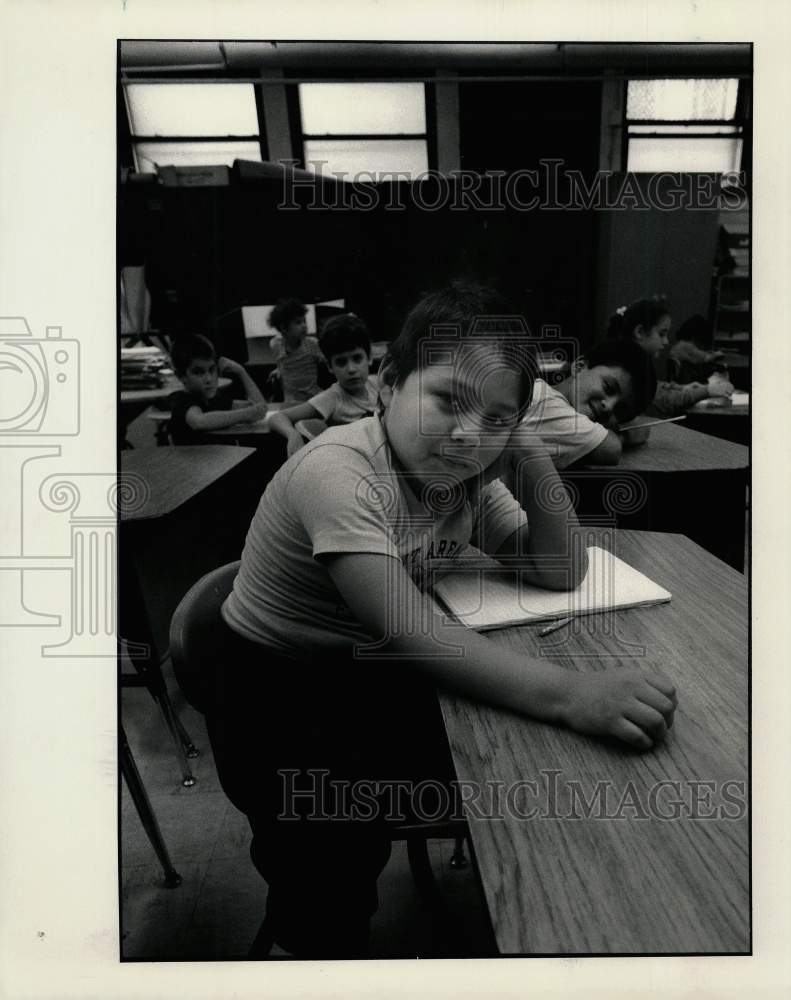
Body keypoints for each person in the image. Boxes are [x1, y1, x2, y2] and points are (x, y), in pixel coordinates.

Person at [212, 282, 677, 958]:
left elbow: (559, 568)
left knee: (519, 766)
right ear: (387, 384)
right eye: (447, 401)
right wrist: (573, 692)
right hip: (277, 695)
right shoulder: (339, 469)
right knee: (331, 868)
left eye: (495, 419)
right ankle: (304, 955)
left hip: (368, 675)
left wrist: (527, 456)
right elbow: (412, 631)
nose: (467, 434)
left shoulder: (463, 477)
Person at [521, 339, 658, 468]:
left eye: (620, 411)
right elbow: (610, 449)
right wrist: (624, 436)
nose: (609, 406)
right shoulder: (545, 403)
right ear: (579, 367)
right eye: (608, 387)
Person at [268, 313, 379, 456]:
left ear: (369, 358)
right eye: (341, 362)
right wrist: (292, 435)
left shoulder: (376, 383)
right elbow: (276, 418)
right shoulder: (331, 398)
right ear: (330, 367)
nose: (351, 369)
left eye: (357, 358)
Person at [607, 297, 734, 418]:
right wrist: (707, 390)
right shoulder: (624, 365)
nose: (666, 341)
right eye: (661, 334)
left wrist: (683, 388)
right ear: (639, 332)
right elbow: (663, 401)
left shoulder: (633, 360)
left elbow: (654, 386)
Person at [168, 334, 268, 445]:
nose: (209, 379)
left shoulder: (215, 398)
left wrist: (241, 372)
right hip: (194, 461)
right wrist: (246, 414)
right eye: (198, 372)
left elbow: (260, 407)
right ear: (181, 376)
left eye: (212, 370)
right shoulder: (180, 399)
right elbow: (199, 421)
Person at [269, 297, 322, 402]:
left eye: (304, 321)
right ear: (283, 328)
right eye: (298, 322)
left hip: (313, 398)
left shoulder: (312, 344)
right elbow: (281, 362)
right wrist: (279, 370)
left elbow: (329, 362)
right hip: (290, 400)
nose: (304, 326)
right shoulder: (275, 345)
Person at [668, 314, 726, 385]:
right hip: (684, 384)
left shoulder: (681, 344)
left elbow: (698, 354)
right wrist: (718, 353)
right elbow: (704, 358)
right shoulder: (686, 346)